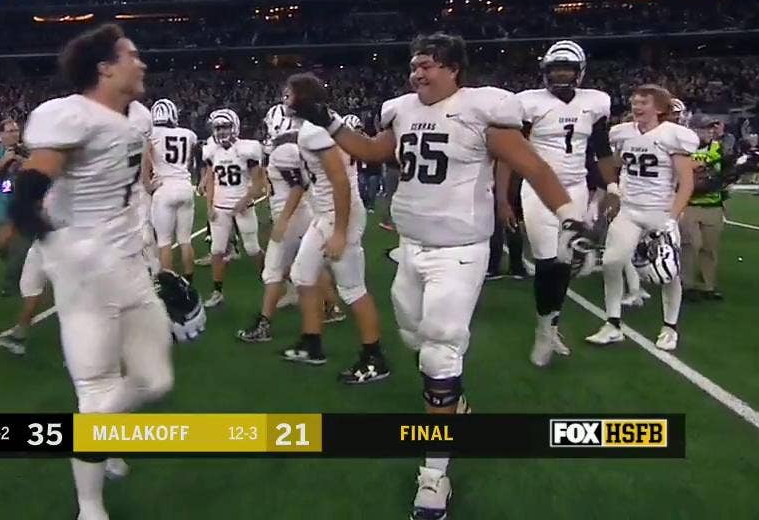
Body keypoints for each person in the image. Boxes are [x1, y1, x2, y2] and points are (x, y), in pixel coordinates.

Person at [288, 33, 593, 520]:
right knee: (413, 334)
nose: (418, 73)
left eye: (428, 65)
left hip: (460, 250)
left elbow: (533, 166)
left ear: (453, 69)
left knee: (440, 347)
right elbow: (369, 151)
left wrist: (570, 217)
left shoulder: (481, 110)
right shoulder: (404, 109)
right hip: (412, 248)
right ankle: (453, 403)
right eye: (414, 66)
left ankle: (435, 475)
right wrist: (324, 115)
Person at [10, 23, 172, 520]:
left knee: (154, 379)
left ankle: (101, 433)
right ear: (104, 68)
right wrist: (47, 232)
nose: (141, 63)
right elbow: (30, 188)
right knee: (97, 389)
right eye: (131, 55)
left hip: (129, 262)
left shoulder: (137, 117)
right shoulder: (70, 115)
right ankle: (90, 506)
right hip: (84, 271)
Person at [501, 40, 612, 367]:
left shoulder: (595, 102)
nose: (561, 76)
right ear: (545, 72)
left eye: (567, 70)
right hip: (537, 190)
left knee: (565, 265)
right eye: (555, 70)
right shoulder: (527, 103)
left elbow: (601, 149)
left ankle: (550, 326)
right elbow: (509, 152)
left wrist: (613, 187)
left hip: (575, 190)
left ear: (580, 72)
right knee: (547, 263)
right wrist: (505, 199)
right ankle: (542, 331)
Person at [278, 77, 390, 384]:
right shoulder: (312, 129)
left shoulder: (314, 131)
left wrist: (340, 231)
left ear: (302, 97)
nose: (284, 97)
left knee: (352, 289)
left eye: (289, 92)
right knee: (302, 275)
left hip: (340, 216)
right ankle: (312, 343)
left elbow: (340, 181)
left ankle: (374, 357)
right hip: (326, 214)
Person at [588, 85, 697, 351]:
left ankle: (669, 327)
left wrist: (672, 218)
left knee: (668, 273)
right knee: (612, 262)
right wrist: (607, 194)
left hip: (660, 211)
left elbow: (686, 183)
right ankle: (612, 324)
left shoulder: (673, 135)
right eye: (635, 101)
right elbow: (612, 165)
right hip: (629, 209)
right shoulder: (623, 133)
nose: (637, 106)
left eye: (643, 102)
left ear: (659, 108)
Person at [238, 103, 313, 343]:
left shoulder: (284, 150)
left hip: (292, 214)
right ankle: (330, 308)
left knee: (271, 270)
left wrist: (281, 220)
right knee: (302, 267)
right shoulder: (299, 146)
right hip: (301, 213)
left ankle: (264, 326)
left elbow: (297, 188)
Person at [200, 108, 265, 308]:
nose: (221, 131)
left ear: (235, 126)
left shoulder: (248, 149)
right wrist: (209, 205)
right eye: (218, 128)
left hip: (242, 206)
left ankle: (272, 281)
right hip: (220, 206)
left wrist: (244, 200)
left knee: (252, 248)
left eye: (225, 126)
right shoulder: (212, 151)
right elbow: (210, 180)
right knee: (217, 250)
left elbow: (258, 182)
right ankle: (217, 292)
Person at [147, 99, 199, 279]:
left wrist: (147, 183)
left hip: (164, 188)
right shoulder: (189, 134)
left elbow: (146, 158)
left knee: (164, 242)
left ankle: (169, 284)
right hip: (185, 186)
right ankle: (189, 280)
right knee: (185, 240)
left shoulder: (151, 134)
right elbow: (190, 158)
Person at [682, 118, 730, 301]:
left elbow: (725, 175)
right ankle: (687, 285)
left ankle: (707, 286)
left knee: (710, 248)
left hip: (713, 204)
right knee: (691, 245)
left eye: (711, 128)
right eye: (704, 128)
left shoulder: (719, 148)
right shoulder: (684, 148)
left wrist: (725, 201)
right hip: (689, 203)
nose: (709, 132)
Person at [0, 120, 31, 296]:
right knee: (3, 246)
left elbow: (38, 170)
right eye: (10, 131)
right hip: (1, 205)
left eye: (16, 131)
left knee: (21, 248)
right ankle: (18, 272)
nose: (14, 134)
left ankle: (11, 285)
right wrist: (5, 161)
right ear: (1, 134)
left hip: (24, 206)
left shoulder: (26, 150)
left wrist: (20, 160)